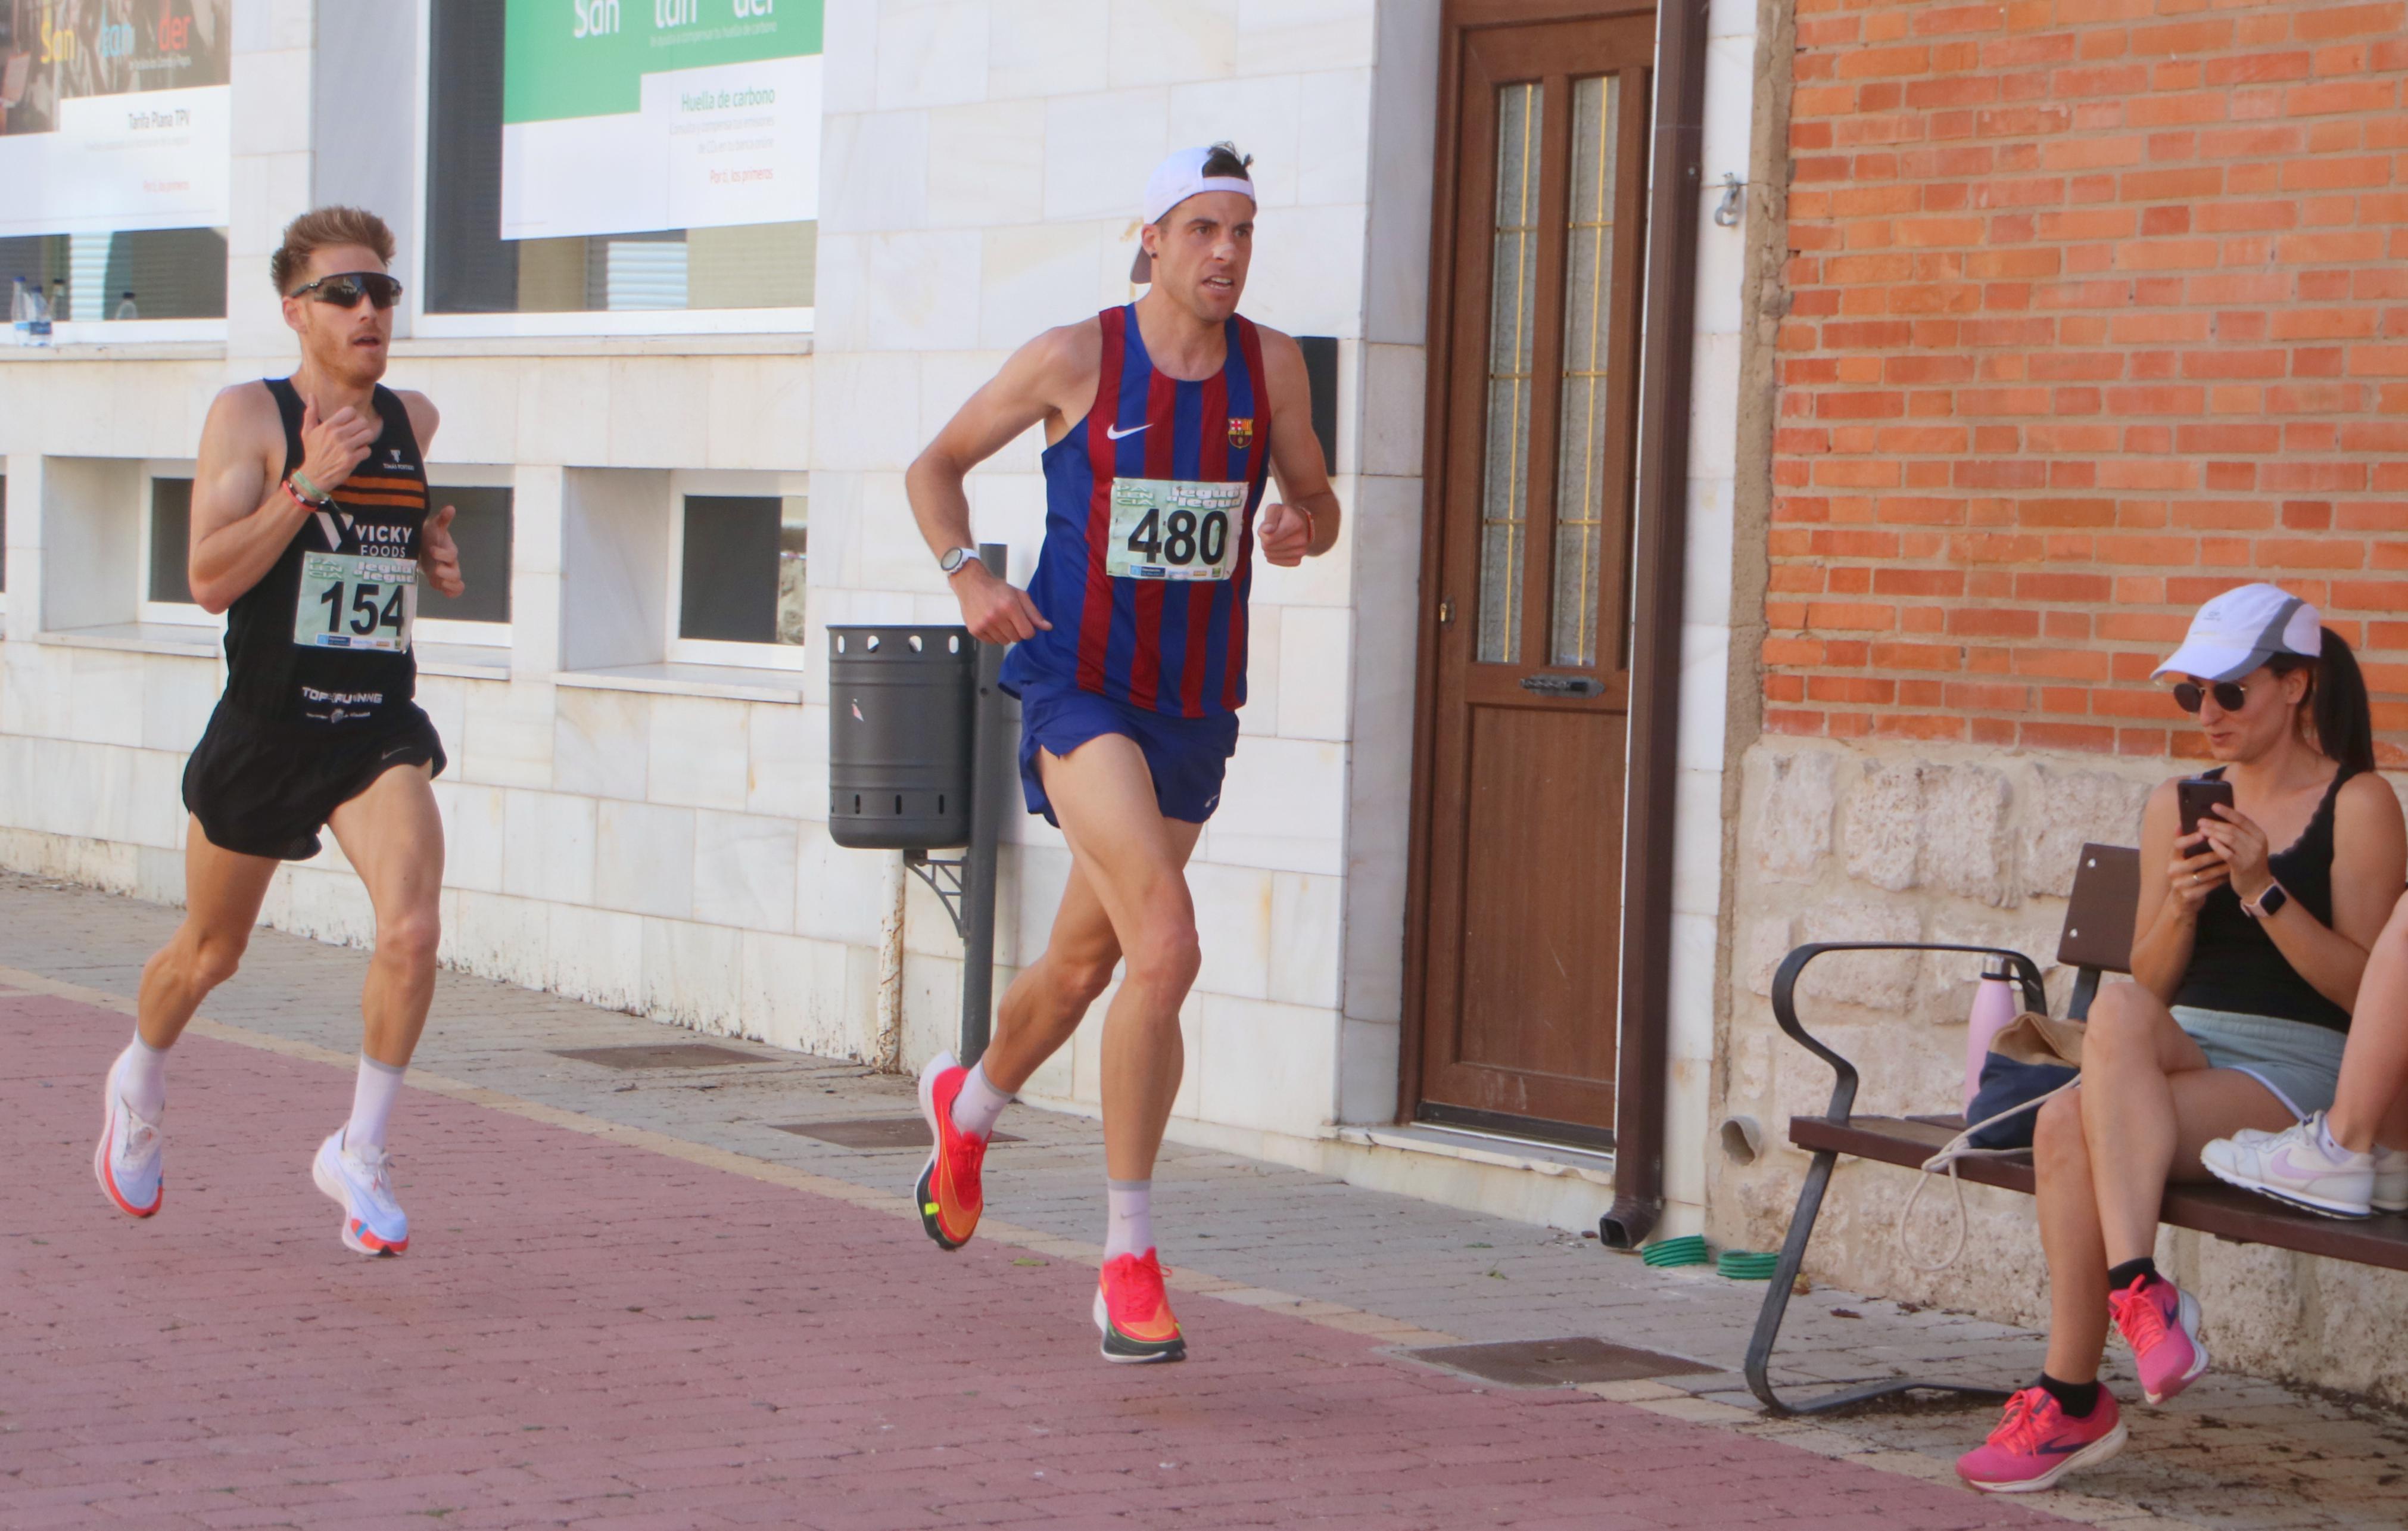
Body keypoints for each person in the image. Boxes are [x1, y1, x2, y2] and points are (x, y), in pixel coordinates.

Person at [902, 144, 1340, 1363]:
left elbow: (1315, 500)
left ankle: (969, 1104)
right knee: (1168, 943)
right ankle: (1129, 1260)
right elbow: (932, 466)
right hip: (1075, 683)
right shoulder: (1075, 357)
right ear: (1150, 238)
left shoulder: (1274, 366)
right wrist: (968, 573)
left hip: (1193, 709)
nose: (1227, 254)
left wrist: (1302, 525)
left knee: (1087, 964)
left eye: (1243, 232)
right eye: (1203, 230)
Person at [1955, 583, 2404, 1493]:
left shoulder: (2357, 802)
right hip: (2178, 1048)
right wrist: (2184, 903)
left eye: (2229, 691)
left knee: (2060, 1126)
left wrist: (2262, 890)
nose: (2209, 713)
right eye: (2192, 693)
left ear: (2295, 685)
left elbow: (2370, 993)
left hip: (2298, 1065)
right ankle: (2139, 1290)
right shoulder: (2179, 803)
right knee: (2117, 1007)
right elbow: (2151, 982)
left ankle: (2070, 1394)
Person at [92, 206, 466, 1258]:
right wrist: (308, 483)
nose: (369, 312)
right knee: (211, 953)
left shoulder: (416, 417)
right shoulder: (248, 417)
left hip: (373, 730)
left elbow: (387, 549)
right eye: (344, 294)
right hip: (267, 729)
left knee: (413, 930)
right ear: (295, 311)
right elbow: (209, 578)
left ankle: (363, 1150)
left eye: (382, 292)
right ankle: (139, 1078)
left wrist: (431, 547)